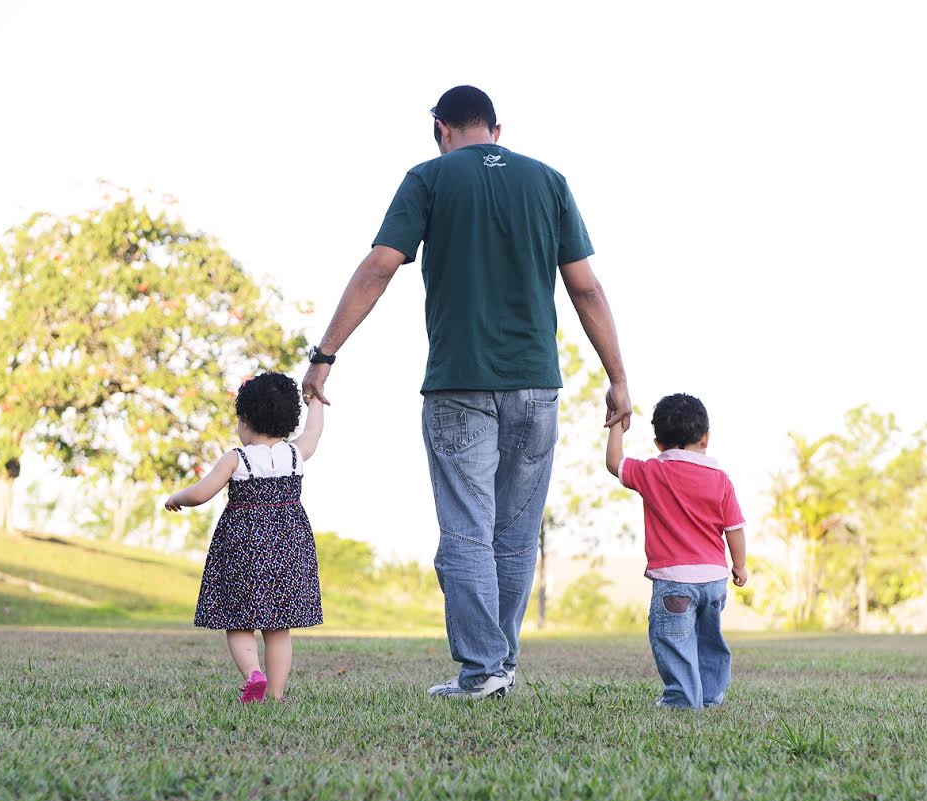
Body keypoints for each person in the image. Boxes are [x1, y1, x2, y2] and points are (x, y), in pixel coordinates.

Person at [301, 85, 630, 700]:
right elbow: (585, 287)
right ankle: (497, 666)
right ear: (496, 130)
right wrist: (617, 377)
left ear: (439, 128)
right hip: (536, 386)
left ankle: (484, 670)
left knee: (467, 531)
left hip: (458, 383)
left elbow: (379, 266)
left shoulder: (428, 177)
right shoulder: (548, 181)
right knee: (513, 533)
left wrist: (325, 355)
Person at [164, 372, 325, 703]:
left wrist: (177, 497)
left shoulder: (237, 458)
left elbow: (202, 493)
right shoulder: (295, 454)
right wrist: (315, 399)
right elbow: (315, 431)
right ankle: (277, 695)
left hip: (243, 549)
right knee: (279, 627)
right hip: (287, 548)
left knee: (239, 621)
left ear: (246, 420)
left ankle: (254, 674)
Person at [605, 393, 747, 708]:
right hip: (714, 581)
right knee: (709, 640)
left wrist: (617, 423)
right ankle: (709, 695)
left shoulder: (652, 472)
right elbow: (734, 527)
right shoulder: (720, 480)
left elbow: (614, 463)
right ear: (706, 437)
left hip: (674, 582)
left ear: (658, 443)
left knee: (674, 641)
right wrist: (740, 565)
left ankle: (683, 699)